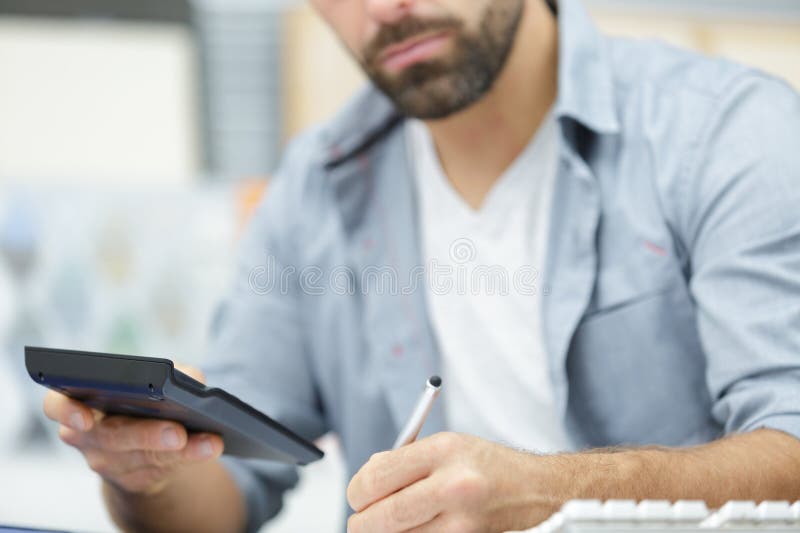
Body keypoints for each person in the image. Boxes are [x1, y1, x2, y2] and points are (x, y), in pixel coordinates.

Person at [43, 0, 800, 532]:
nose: (383, 6)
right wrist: (146, 471)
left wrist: (549, 497)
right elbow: (228, 497)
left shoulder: (729, 136)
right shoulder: (312, 189)